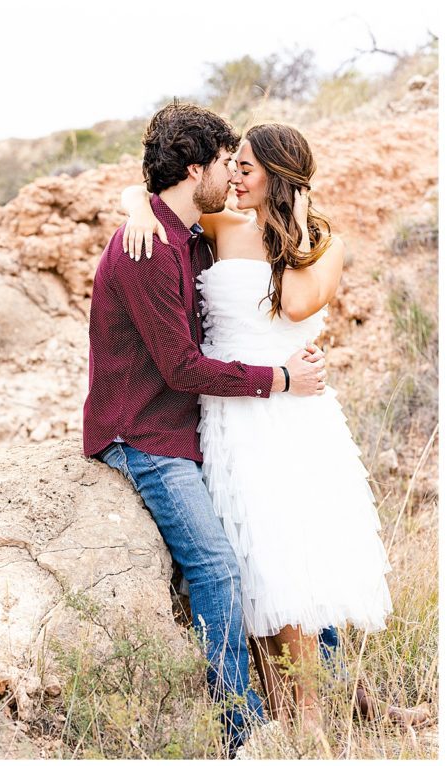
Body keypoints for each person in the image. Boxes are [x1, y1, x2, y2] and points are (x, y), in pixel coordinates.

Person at [120, 122, 409, 729]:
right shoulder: (221, 226)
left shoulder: (325, 244)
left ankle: (313, 715)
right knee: (256, 561)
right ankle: (286, 709)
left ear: (278, 177)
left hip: (291, 413)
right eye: (233, 164)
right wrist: (134, 207)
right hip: (230, 413)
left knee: (293, 558)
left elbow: (297, 302)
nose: (235, 176)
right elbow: (163, 201)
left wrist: (294, 227)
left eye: (247, 167)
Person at [82, 102, 329, 756]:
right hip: (142, 436)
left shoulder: (187, 236)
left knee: (279, 549)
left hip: (191, 431)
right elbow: (182, 367)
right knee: (217, 569)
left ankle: (325, 697)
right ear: (196, 169)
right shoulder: (146, 248)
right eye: (226, 162)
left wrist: (137, 201)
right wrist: (279, 378)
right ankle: (241, 733)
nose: (233, 175)